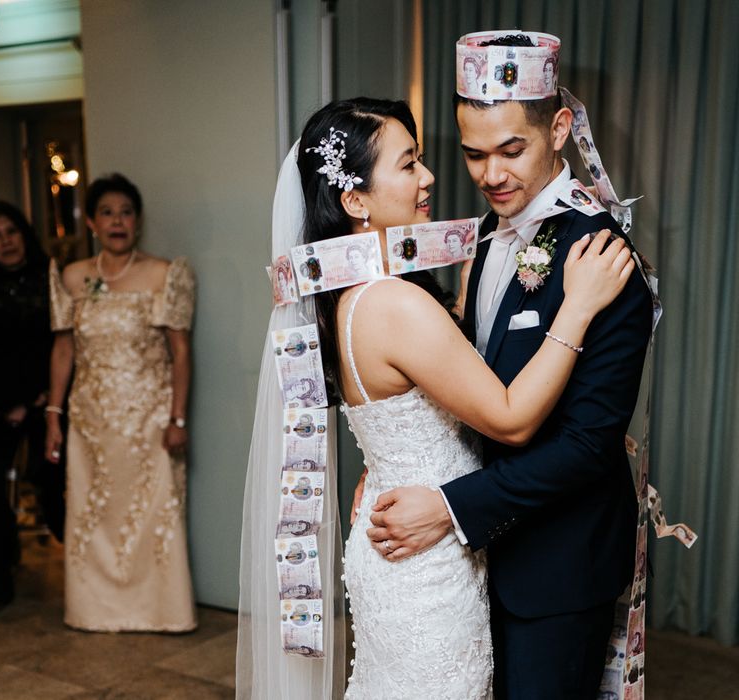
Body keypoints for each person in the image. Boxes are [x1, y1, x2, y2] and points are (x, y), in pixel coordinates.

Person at [238, 96, 634, 699]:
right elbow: (508, 417)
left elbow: (573, 434)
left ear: (557, 133)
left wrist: (390, 465)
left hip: (470, 557)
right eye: (408, 164)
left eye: (422, 158)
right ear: (355, 200)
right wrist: (575, 308)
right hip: (426, 570)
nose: (432, 177)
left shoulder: (366, 290)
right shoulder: (394, 303)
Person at [366, 33, 653, 699]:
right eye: (472, 153)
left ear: (557, 130)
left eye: (510, 150)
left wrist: (448, 507)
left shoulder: (602, 259)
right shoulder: (488, 237)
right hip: (476, 562)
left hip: (557, 567)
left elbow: (587, 445)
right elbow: (469, 384)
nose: (490, 173)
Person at [45, 173, 197, 632]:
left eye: (126, 212)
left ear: (138, 221)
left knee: (152, 515)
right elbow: (64, 350)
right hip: (90, 422)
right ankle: (93, 611)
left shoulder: (164, 274)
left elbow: (181, 352)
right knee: (92, 514)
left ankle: (162, 613)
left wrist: (178, 417)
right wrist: (54, 415)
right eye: (107, 212)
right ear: (91, 221)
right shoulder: (73, 276)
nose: (117, 221)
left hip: (149, 421)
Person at [0, 200, 56, 615]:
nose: (6, 241)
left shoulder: (52, 278)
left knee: (54, 473)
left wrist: (39, 400)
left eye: (11, 232)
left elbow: (63, 346)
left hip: (50, 398)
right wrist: (12, 404)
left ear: (24, 233)